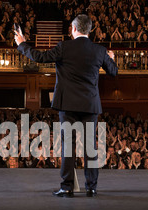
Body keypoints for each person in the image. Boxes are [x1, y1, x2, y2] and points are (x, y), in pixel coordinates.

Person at [14, 14, 118, 198]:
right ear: (90, 30)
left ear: (73, 28)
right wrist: (111, 58)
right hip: (89, 104)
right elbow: (113, 72)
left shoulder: (64, 47)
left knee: (68, 147)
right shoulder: (99, 50)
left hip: (67, 105)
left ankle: (67, 187)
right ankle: (91, 188)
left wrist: (22, 43)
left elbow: (39, 56)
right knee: (90, 148)